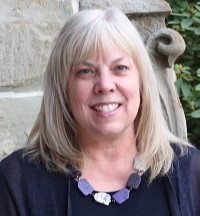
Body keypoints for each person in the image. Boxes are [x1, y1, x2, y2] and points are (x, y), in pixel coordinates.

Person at [0, 7, 199, 216]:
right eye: (86, 71)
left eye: (120, 68)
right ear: (62, 88)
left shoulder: (191, 175)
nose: (105, 85)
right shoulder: (17, 183)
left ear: (141, 82)